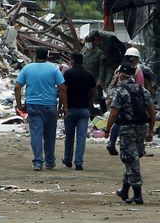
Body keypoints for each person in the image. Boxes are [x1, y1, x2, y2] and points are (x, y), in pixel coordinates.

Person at [106, 61, 156, 205]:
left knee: (131, 161)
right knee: (132, 159)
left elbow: (114, 114)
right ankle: (124, 190)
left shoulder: (120, 92)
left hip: (127, 129)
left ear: (121, 75)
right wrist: (150, 131)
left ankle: (138, 194)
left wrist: (107, 130)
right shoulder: (143, 90)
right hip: (141, 129)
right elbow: (152, 112)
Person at [15, 47, 67, 170]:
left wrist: (19, 105)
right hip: (50, 105)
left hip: (33, 105)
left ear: (35, 55)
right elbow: (62, 88)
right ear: (47, 56)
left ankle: (38, 162)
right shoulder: (54, 68)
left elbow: (17, 87)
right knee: (50, 134)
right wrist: (64, 106)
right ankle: (50, 161)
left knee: (36, 134)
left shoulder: (27, 68)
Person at [106, 48, 146, 155]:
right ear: (134, 58)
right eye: (137, 58)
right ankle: (138, 146)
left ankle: (112, 142)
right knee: (134, 122)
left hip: (117, 97)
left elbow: (112, 83)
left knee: (118, 121)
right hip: (131, 100)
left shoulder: (119, 68)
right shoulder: (137, 70)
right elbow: (140, 87)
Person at [62, 52, 95, 170]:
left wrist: (63, 106)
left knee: (69, 136)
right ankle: (79, 163)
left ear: (72, 61)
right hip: (84, 109)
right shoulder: (89, 75)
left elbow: (63, 91)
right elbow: (93, 92)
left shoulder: (67, 74)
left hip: (70, 109)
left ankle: (67, 159)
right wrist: (89, 102)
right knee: (81, 137)